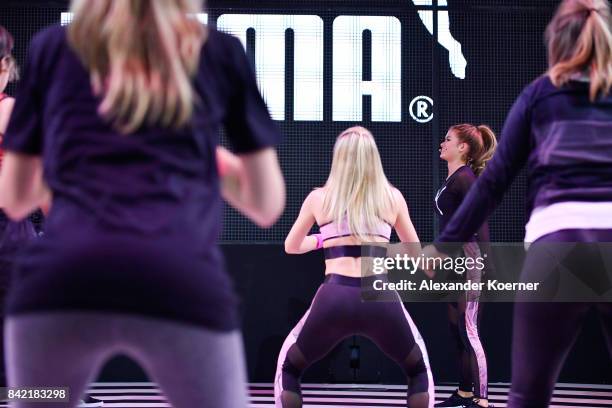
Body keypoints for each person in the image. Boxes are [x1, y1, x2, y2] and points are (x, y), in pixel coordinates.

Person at [0, 1, 285, 407]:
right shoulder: (219, 50)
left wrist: (77, 168)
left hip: (60, 284)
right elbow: (266, 202)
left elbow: (14, 197)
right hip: (180, 282)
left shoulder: (52, 46)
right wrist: (210, 162)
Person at [428, 0, 612, 406]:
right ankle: (466, 391)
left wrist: (442, 246)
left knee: (528, 392)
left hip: (557, 240)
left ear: (554, 42)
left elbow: (492, 185)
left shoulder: (540, 94)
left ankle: (476, 395)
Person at [274, 126, 435, 408]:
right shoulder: (392, 198)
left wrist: (325, 239)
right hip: (379, 295)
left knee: (289, 369)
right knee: (418, 371)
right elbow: (416, 254)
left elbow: (291, 246)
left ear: (338, 159)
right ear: (374, 158)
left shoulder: (319, 199)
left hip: (335, 296)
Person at [433, 124, 496, 408]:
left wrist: (486, 261)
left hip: (470, 259)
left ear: (463, 148)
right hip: (454, 261)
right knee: (454, 328)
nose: (442, 143)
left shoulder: (466, 178)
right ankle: (464, 392)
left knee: (468, 329)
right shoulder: (454, 179)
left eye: (448, 140)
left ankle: (481, 399)